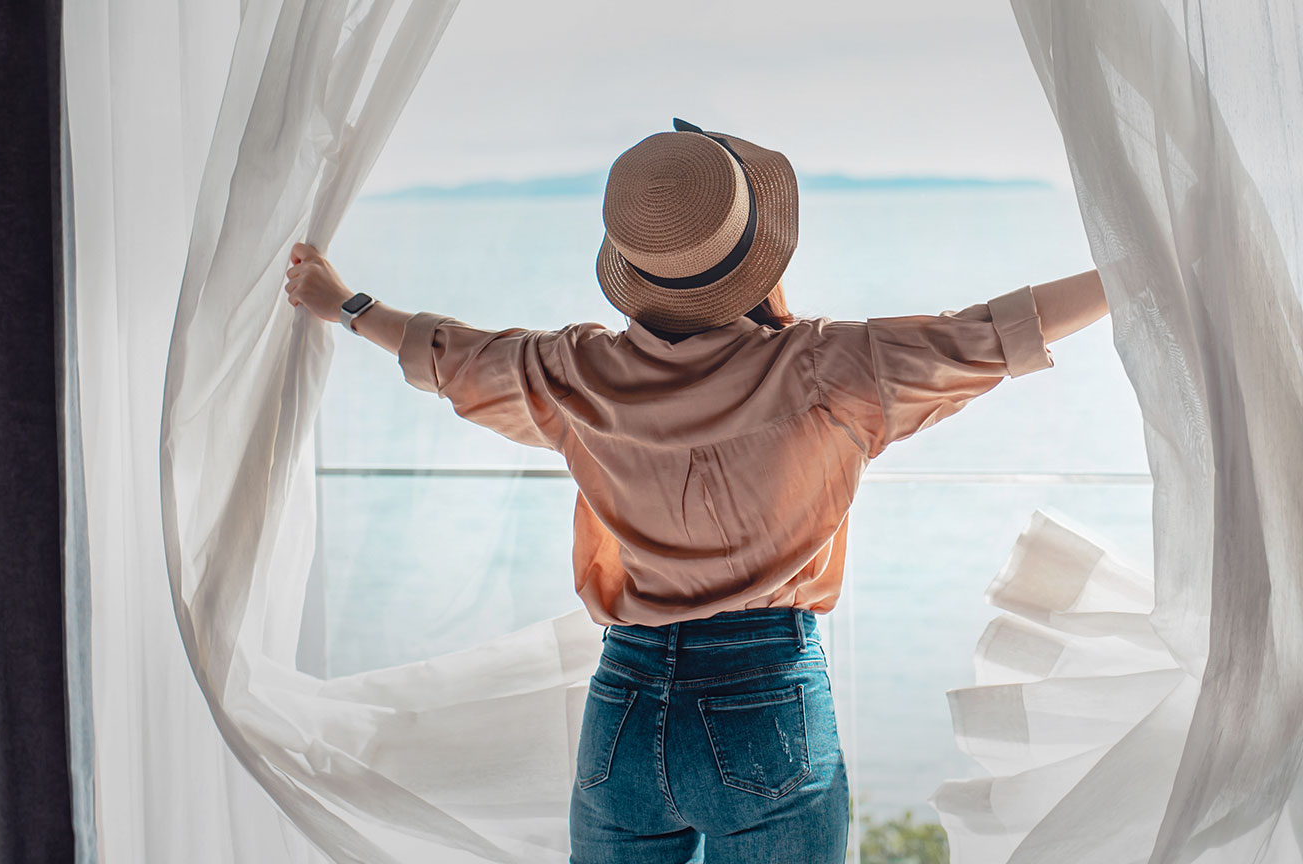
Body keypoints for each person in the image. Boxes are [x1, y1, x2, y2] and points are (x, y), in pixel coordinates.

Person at [282, 119, 1108, 864]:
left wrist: (344, 303)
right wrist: (1136, 272)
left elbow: (449, 354)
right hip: (767, 703)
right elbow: (999, 332)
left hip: (624, 709)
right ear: (755, 254)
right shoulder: (828, 369)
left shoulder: (574, 373)